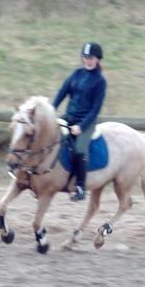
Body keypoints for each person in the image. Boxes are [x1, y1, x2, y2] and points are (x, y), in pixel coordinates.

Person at [53, 42, 107, 201]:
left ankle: (80, 187)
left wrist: (81, 127)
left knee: (79, 149)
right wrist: (51, 110)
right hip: (69, 117)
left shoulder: (100, 81)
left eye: (91, 58)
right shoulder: (76, 74)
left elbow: (95, 110)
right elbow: (62, 93)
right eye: (85, 57)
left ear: (97, 59)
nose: (88, 61)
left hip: (86, 122)